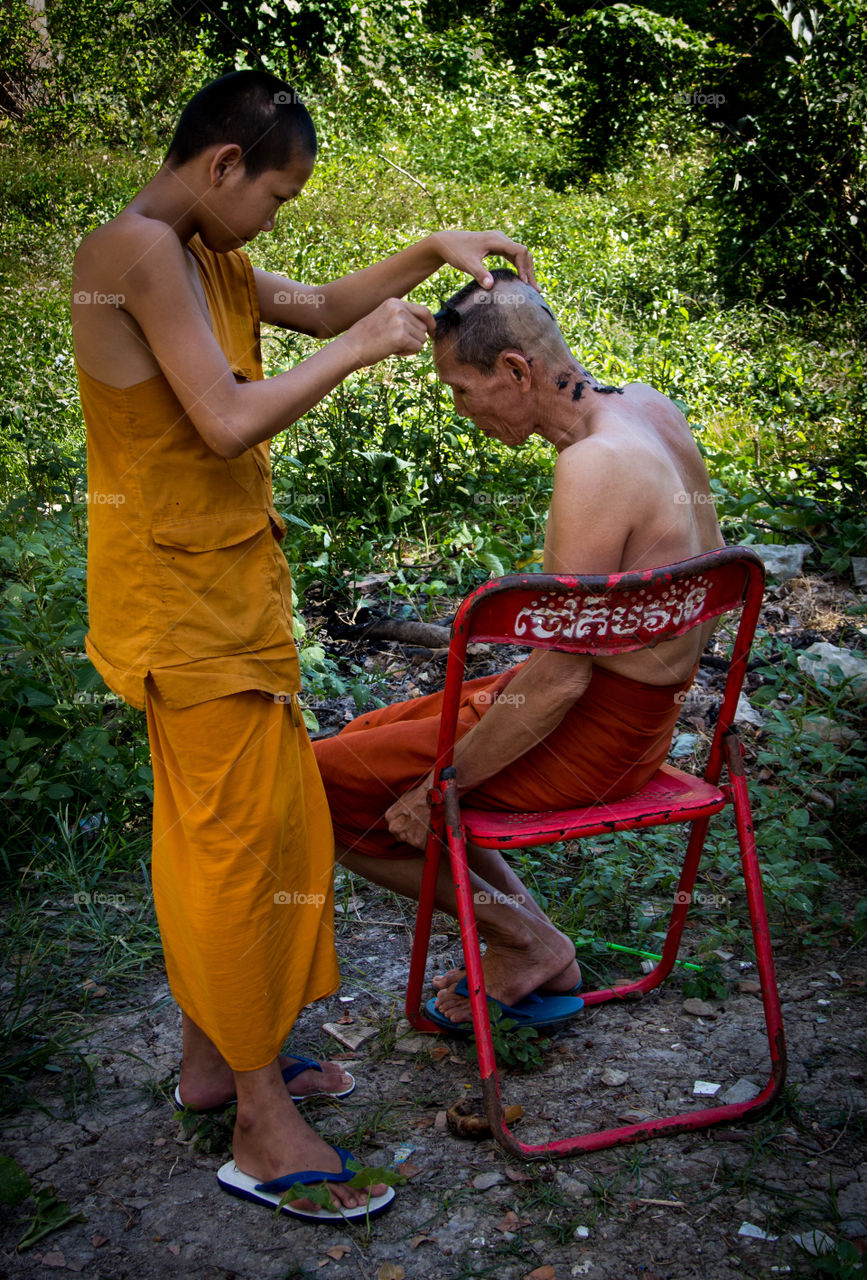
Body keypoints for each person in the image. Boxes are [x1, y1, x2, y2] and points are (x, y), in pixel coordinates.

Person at [71, 69, 536, 1221]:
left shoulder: (204, 252)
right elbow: (227, 418)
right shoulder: (131, 252)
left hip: (229, 592)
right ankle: (260, 1121)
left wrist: (428, 251)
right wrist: (365, 352)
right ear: (224, 165)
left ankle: (213, 1059)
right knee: (233, 851)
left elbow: (321, 305)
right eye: (277, 194)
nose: (274, 220)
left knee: (253, 826)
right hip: (182, 603)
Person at [312, 268, 726, 1030]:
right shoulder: (648, 408)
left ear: (513, 370)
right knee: (357, 739)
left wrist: (445, 784)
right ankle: (529, 938)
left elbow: (563, 679)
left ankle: (525, 939)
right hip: (633, 710)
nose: (462, 412)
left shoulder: (594, 467)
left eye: (462, 391)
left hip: (598, 738)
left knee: (299, 785)